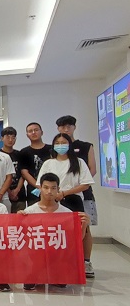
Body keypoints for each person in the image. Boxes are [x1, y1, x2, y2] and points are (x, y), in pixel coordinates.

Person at [18, 172, 90, 291]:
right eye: (46, 187)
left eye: (53, 188)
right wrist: (18, 220)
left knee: (61, 281)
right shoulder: (29, 212)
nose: (49, 191)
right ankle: (34, 273)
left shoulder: (66, 213)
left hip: (57, 254)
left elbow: (75, 240)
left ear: (58, 189)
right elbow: (21, 239)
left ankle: (57, 273)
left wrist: (84, 225)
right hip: (36, 254)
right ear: (40, 188)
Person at [56, 115, 98, 278]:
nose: (66, 129)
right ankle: (66, 261)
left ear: (74, 127)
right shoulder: (55, 149)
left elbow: (92, 170)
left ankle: (86, 261)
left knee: (84, 228)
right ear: (58, 129)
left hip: (82, 194)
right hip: (59, 197)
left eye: (69, 126)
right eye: (62, 127)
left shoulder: (85, 146)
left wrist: (74, 186)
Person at [36, 133, 94, 213]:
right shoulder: (48, 163)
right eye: (57, 143)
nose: (60, 145)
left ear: (69, 144)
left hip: (73, 200)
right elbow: (39, 184)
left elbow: (85, 184)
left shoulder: (79, 162)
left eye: (63, 143)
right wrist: (53, 194)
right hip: (52, 201)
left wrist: (64, 193)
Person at [19, 122, 52, 206]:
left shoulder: (51, 149)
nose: (33, 132)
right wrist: (40, 187)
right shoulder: (24, 152)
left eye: (36, 130)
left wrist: (47, 187)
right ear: (27, 135)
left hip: (51, 189)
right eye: (30, 131)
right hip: (33, 191)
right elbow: (24, 173)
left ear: (42, 132)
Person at [0, 127, 27, 213]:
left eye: (13, 137)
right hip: (3, 194)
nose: (10, 140)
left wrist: (17, 190)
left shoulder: (20, 154)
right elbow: (0, 175)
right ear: (2, 138)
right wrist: (9, 192)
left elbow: (23, 174)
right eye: (7, 137)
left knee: (20, 218)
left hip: (20, 195)